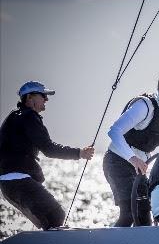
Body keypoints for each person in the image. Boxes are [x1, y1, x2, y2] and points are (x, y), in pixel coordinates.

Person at [0, 81, 94, 229]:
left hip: (6, 185)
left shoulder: (12, 118)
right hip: (20, 182)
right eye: (43, 95)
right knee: (56, 215)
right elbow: (49, 149)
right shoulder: (29, 117)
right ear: (29, 98)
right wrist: (80, 153)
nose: (46, 99)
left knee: (47, 223)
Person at [104, 68, 159, 227]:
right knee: (128, 213)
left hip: (138, 168)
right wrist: (133, 158)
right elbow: (114, 131)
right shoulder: (145, 106)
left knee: (145, 217)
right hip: (117, 162)